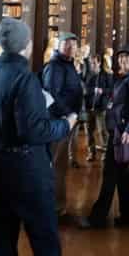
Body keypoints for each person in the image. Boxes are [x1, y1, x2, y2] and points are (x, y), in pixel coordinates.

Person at [0, 18, 77, 256]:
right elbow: (35, 131)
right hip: (28, 171)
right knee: (44, 240)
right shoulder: (26, 79)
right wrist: (65, 124)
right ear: (27, 46)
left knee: (2, 237)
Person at [80, 46, 129, 229]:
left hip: (122, 132)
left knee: (110, 174)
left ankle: (98, 218)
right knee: (122, 175)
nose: (122, 61)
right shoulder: (122, 77)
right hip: (117, 130)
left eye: (127, 58)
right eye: (121, 58)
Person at [42, 31, 84, 217]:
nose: (71, 47)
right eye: (67, 44)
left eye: (74, 45)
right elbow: (52, 94)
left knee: (60, 165)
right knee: (57, 165)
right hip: (58, 121)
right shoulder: (56, 66)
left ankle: (57, 204)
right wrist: (69, 113)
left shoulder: (67, 65)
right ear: (59, 45)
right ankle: (54, 206)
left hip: (66, 120)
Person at [84, 55, 113, 162]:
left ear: (99, 63)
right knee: (89, 131)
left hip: (101, 107)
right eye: (91, 63)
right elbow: (86, 88)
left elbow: (111, 90)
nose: (92, 65)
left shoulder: (106, 75)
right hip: (89, 107)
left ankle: (106, 153)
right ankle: (91, 152)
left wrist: (102, 91)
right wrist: (92, 90)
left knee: (102, 131)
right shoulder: (89, 74)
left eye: (94, 63)